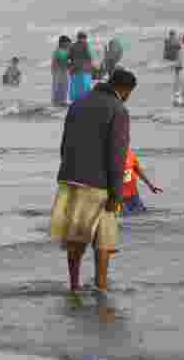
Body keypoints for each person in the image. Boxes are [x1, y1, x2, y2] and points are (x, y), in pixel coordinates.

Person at [50, 69, 136, 292]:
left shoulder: (78, 103)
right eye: (129, 93)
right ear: (124, 90)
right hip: (99, 184)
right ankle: (101, 284)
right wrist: (116, 194)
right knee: (104, 239)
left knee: (76, 237)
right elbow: (117, 155)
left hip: (70, 177)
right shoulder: (118, 110)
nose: (128, 98)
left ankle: (74, 284)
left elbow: (64, 143)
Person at [121, 147, 162, 215]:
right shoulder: (111, 156)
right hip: (120, 197)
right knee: (127, 216)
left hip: (133, 194)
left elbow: (139, 172)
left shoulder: (130, 154)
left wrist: (151, 186)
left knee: (143, 214)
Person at [68, 32, 94, 102]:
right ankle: (85, 100)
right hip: (84, 69)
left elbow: (69, 57)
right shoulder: (85, 45)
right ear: (84, 38)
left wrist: (71, 66)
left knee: (75, 86)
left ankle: (75, 100)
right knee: (84, 85)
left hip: (74, 69)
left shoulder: (72, 46)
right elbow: (89, 56)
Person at [51, 36, 72, 106]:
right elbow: (63, 62)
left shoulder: (60, 50)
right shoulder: (60, 51)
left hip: (59, 71)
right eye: (68, 43)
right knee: (62, 86)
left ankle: (58, 101)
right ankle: (60, 102)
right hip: (60, 71)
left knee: (61, 86)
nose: (69, 45)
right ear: (63, 43)